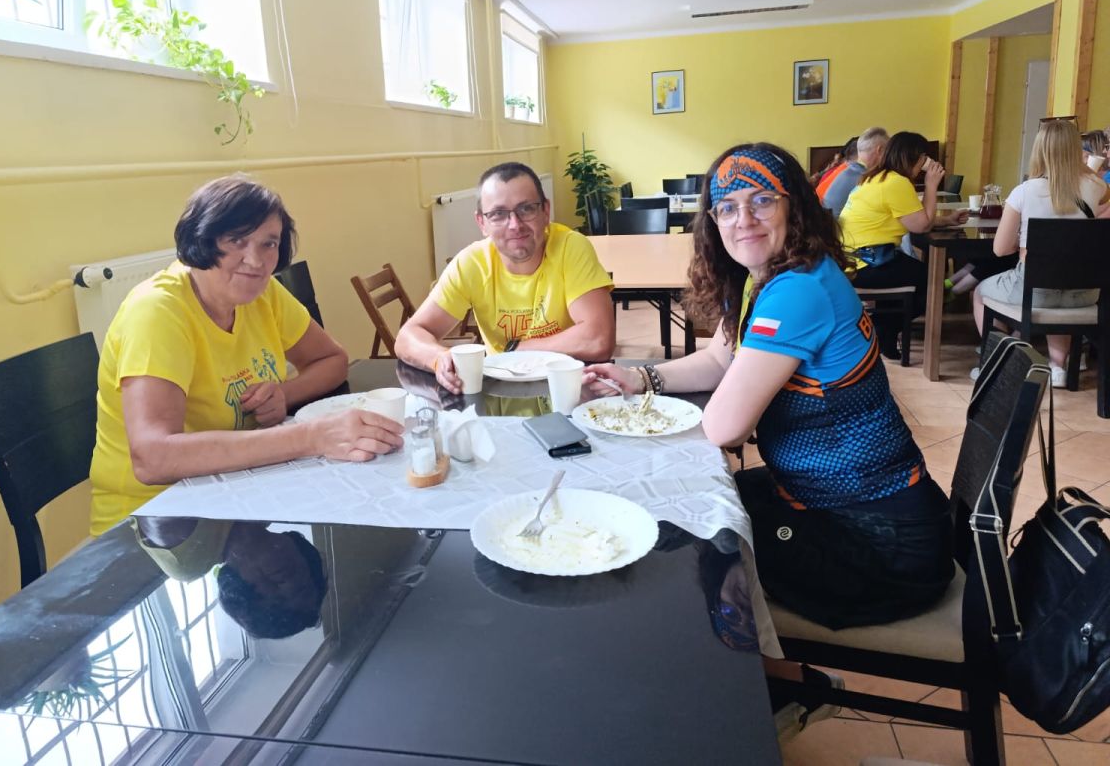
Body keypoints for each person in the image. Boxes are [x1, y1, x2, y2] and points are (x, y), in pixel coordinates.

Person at [584, 144, 953, 726]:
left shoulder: (798, 290)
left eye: (761, 201)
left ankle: (770, 696)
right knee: (700, 512)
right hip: (845, 511)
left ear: (794, 207)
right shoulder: (768, 279)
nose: (744, 219)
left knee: (697, 542)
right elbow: (718, 361)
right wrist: (640, 378)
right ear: (712, 220)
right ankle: (769, 681)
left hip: (880, 547)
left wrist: (651, 414)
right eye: (727, 207)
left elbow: (724, 426)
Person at [89, 176, 404, 535]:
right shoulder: (157, 312)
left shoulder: (263, 293)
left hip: (235, 493)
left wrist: (284, 393)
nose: (255, 261)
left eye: (269, 243)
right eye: (236, 240)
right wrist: (311, 438)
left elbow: (331, 360)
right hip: (153, 524)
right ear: (201, 237)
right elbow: (153, 458)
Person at [396, 162, 615, 394]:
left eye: (526, 209)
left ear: (545, 211)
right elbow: (407, 337)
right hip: (500, 393)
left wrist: (518, 350)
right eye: (498, 214)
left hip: (568, 388)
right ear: (482, 223)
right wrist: (438, 358)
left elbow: (598, 339)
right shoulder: (472, 263)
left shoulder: (571, 247)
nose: (515, 225)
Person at [972, 120, 1110, 384]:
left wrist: (1021, 243)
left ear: (1039, 150)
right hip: (1085, 294)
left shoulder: (1024, 192)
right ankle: (1057, 368)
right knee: (1061, 281)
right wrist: (1083, 166)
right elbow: (1103, 198)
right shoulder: (1096, 187)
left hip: (1035, 293)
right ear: (1076, 150)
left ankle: (1001, 362)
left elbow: (1000, 249)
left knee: (979, 292)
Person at [838, 131, 968, 359]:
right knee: (934, 282)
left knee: (914, 273)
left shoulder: (876, 177)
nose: (924, 164)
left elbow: (910, 218)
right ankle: (883, 328)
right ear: (913, 157)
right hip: (867, 264)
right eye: (923, 158)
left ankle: (884, 331)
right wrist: (931, 185)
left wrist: (947, 220)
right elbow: (922, 226)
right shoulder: (896, 183)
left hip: (852, 260)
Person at [134, 516, 328, 638]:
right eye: (301, 588)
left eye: (280, 600)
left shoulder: (191, 559)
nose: (289, 585)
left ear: (247, 598)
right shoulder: (271, 507)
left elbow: (155, 493)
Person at [822, 127, 887, 217]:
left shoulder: (850, 170)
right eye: (888, 151)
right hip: (837, 224)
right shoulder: (865, 177)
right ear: (880, 150)